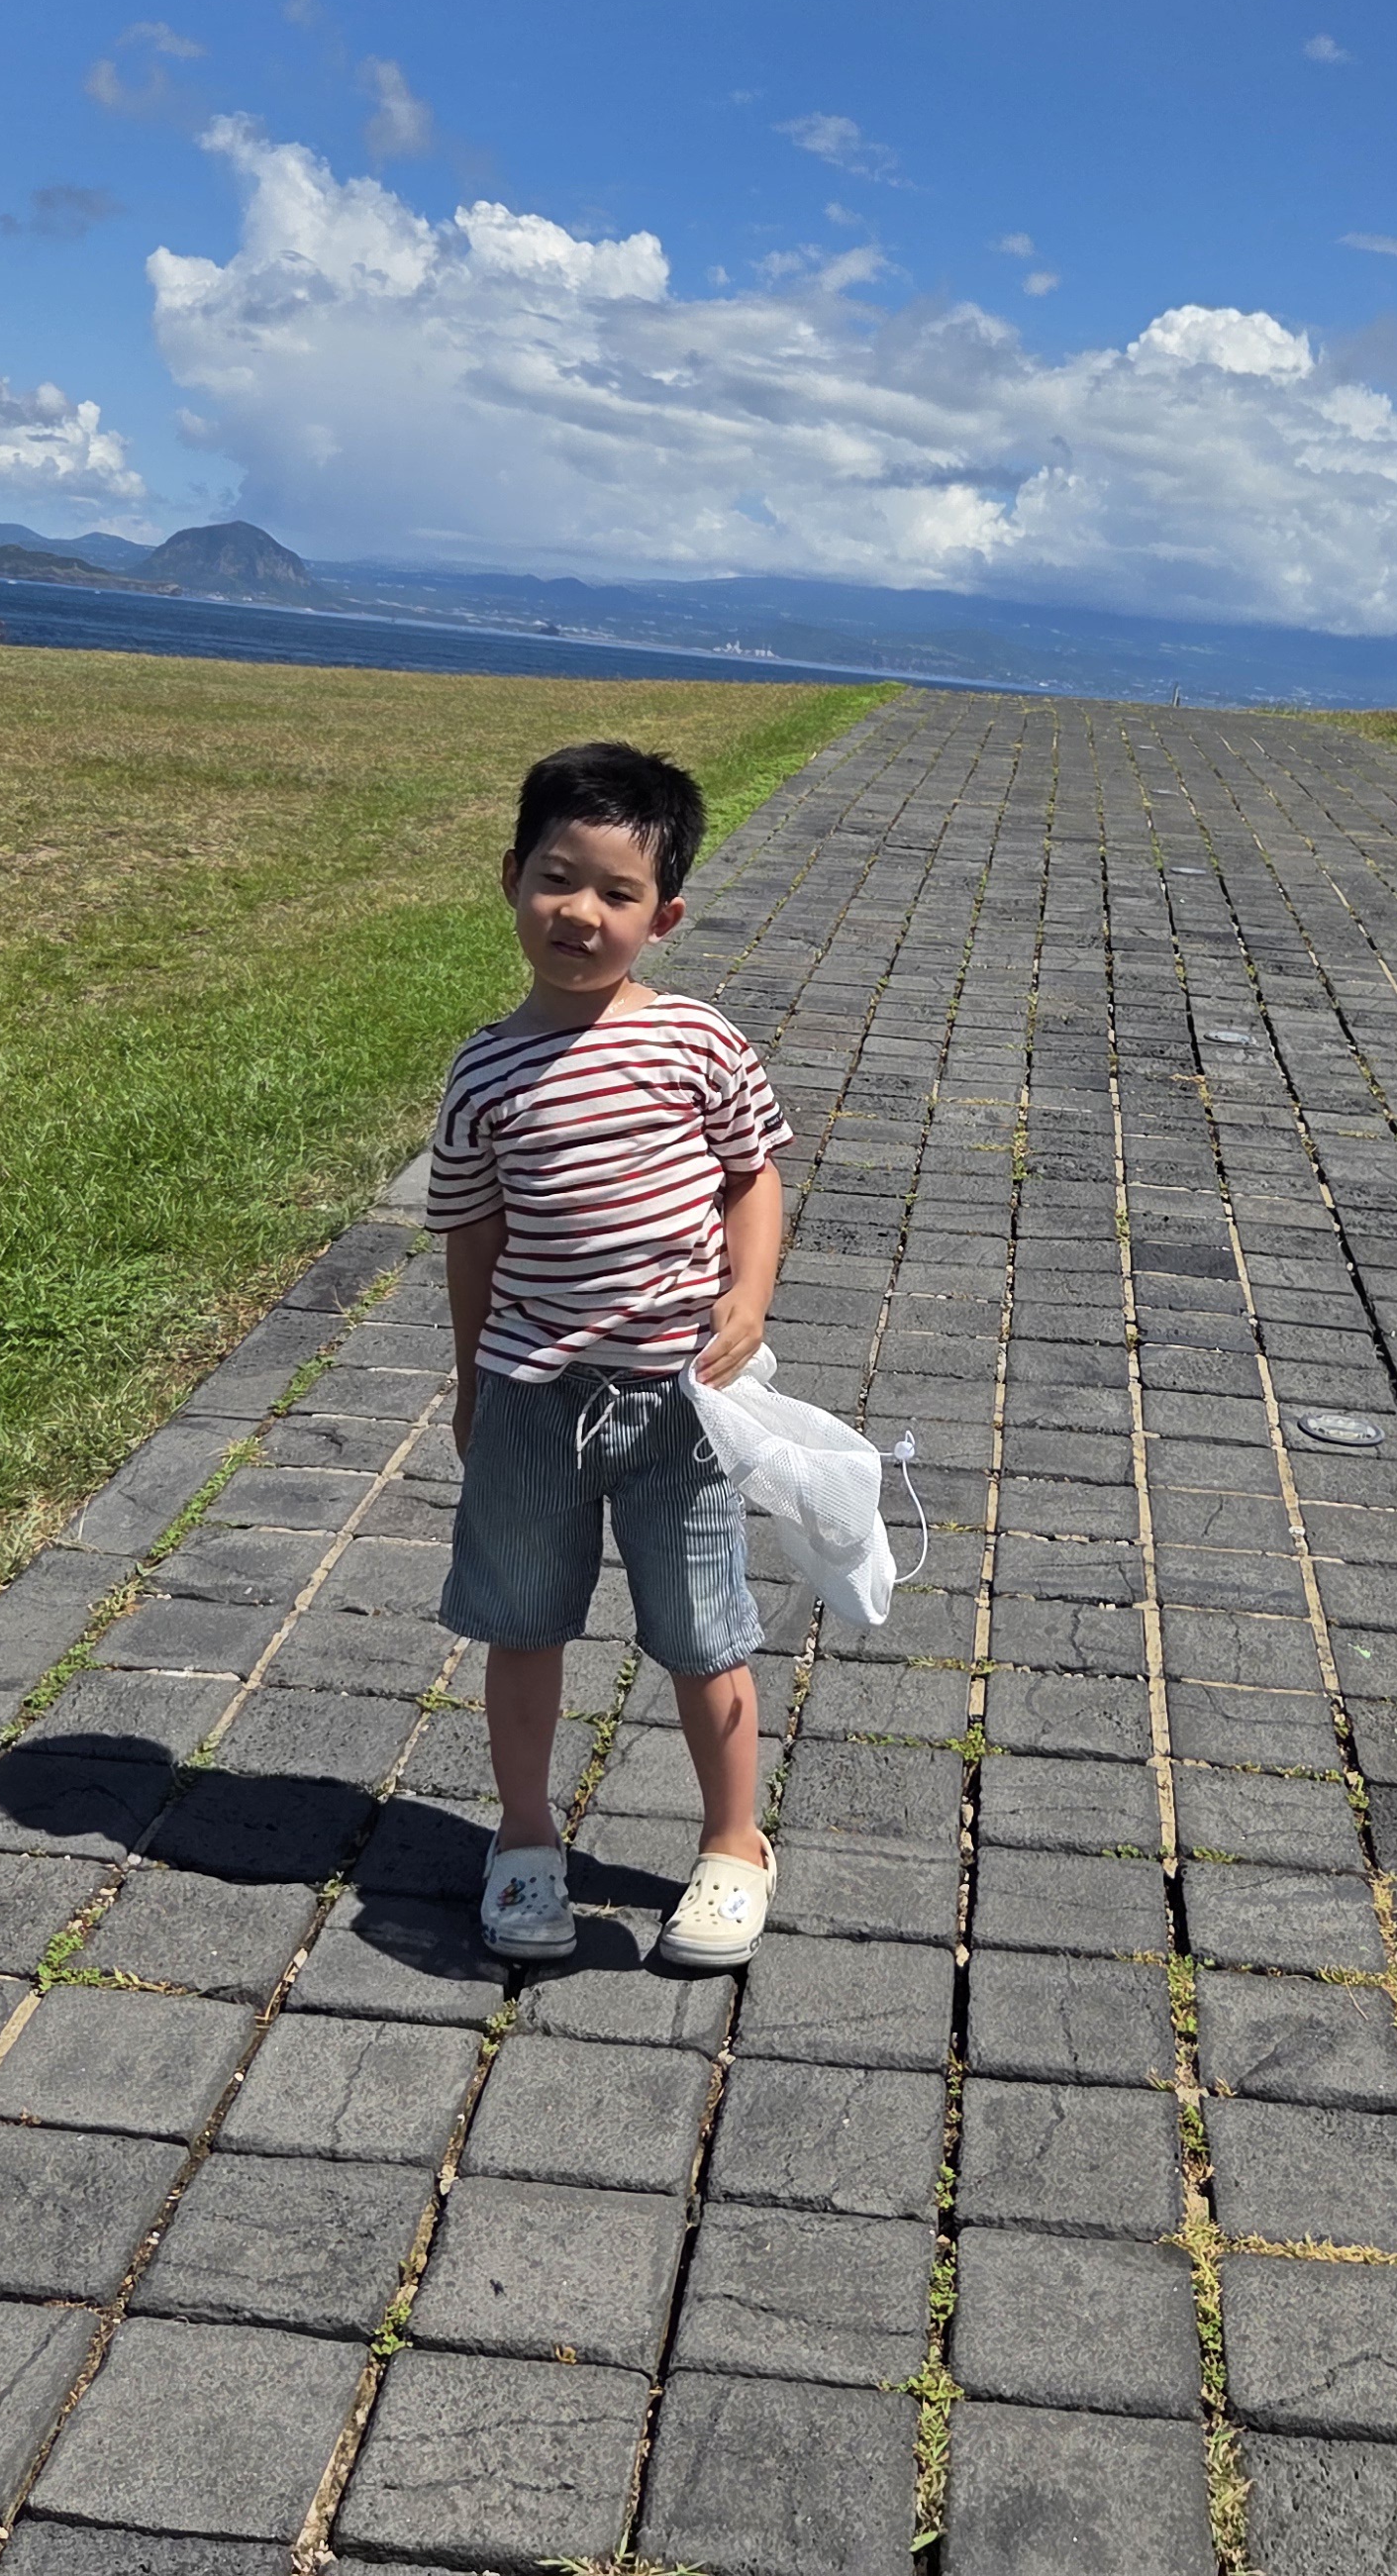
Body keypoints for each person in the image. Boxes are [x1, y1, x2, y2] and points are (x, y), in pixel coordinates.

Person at [428, 741, 791, 1972]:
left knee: (703, 1629)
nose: (578, 912)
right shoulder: (484, 1071)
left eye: (616, 893)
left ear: (662, 916)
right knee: (522, 1623)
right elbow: (473, 1234)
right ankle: (524, 1834)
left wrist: (750, 1294)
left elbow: (753, 1174)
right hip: (533, 1398)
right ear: (512, 878)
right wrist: (472, 1381)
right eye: (555, 877)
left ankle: (734, 1840)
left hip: (683, 1401)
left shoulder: (697, 1042)